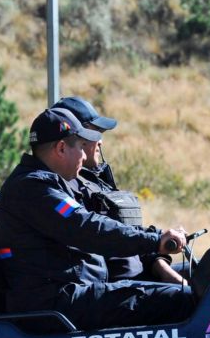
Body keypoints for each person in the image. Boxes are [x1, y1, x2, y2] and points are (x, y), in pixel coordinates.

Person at [0, 107, 196, 330]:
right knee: (181, 300)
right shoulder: (33, 188)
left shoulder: (49, 183)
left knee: (201, 281)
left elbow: (95, 224)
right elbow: (87, 228)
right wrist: (155, 241)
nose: (84, 155)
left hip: (69, 296)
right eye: (81, 147)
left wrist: (155, 238)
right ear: (61, 148)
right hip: (55, 303)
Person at [52, 96, 185, 285]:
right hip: (116, 287)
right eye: (95, 134)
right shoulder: (64, 188)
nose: (100, 142)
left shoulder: (97, 181)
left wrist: (162, 267)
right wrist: (156, 241)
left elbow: (131, 232)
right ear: (76, 137)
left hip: (142, 275)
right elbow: (95, 231)